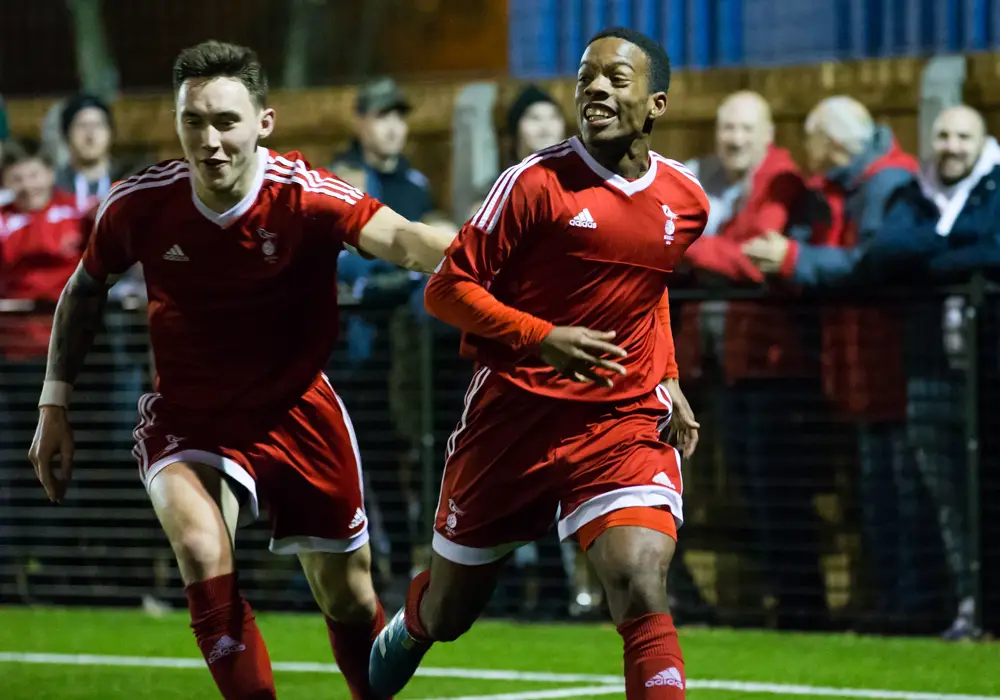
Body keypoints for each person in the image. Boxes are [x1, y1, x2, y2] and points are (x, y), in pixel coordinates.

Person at [27, 40, 453, 700]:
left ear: (264, 122)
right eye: (193, 121)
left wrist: (497, 258)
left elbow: (402, 240)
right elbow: (84, 289)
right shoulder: (139, 204)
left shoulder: (305, 196)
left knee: (348, 597)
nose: (211, 140)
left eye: (226, 120)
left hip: (298, 411)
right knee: (202, 552)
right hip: (189, 419)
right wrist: (54, 405)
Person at [370, 27, 705, 699]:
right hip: (513, 422)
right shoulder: (533, 183)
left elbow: (649, 287)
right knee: (451, 611)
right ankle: (411, 623)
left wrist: (668, 378)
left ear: (656, 104)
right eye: (586, 78)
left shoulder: (685, 200)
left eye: (616, 78)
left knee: (639, 583)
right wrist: (543, 336)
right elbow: (447, 289)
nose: (596, 89)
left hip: (620, 419)